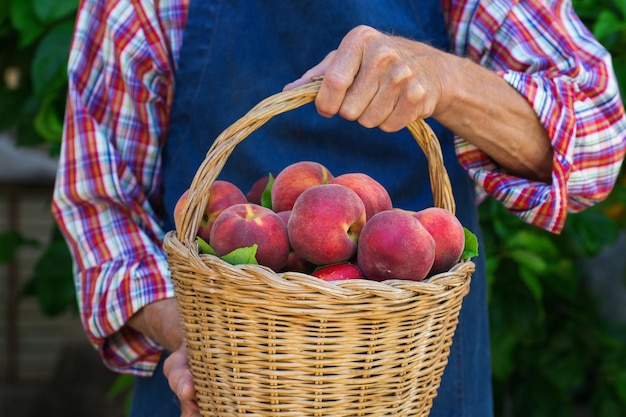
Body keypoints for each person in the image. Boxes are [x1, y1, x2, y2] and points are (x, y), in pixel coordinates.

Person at [52, 1, 626, 416]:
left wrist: (446, 80)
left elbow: (595, 144)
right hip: (221, 386)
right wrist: (204, 336)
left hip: (412, 377)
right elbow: (101, 210)